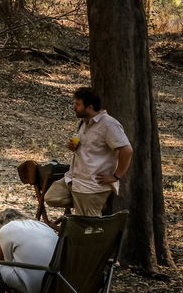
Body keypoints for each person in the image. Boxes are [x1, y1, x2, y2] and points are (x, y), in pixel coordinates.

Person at [44, 87, 132, 217]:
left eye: (78, 104)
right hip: (73, 180)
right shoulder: (84, 122)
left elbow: (127, 150)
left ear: (90, 107)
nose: (74, 107)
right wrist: (75, 147)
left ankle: (90, 209)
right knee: (51, 197)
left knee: (89, 229)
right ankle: (84, 206)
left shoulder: (109, 125)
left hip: (91, 185)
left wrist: (116, 176)